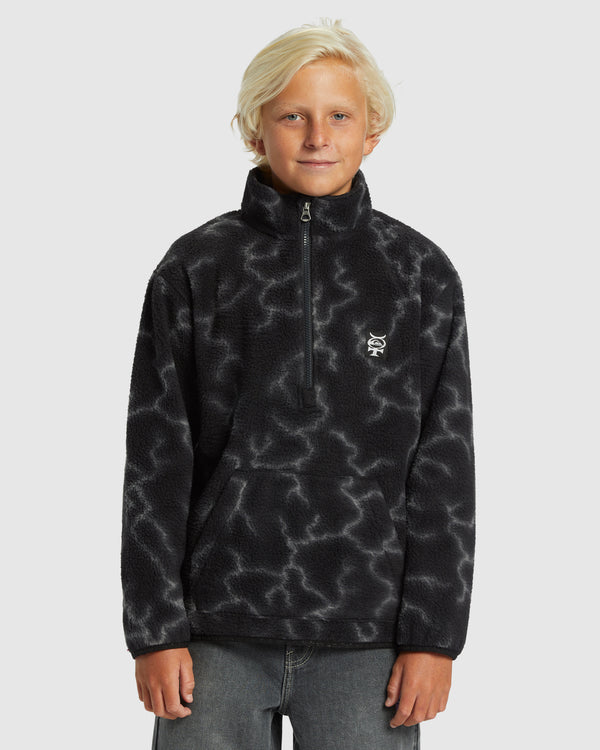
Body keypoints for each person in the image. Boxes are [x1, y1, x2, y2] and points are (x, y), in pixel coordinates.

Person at [121, 18, 476, 749]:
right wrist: (153, 630)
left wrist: (434, 638)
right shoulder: (195, 268)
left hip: (369, 634)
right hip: (214, 631)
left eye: (339, 116)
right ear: (255, 129)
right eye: (293, 116)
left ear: (372, 130)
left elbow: (444, 467)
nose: (318, 137)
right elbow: (156, 460)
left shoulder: (418, 275)